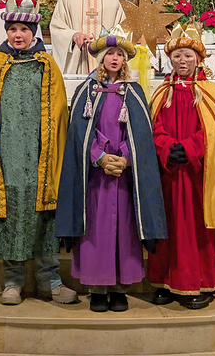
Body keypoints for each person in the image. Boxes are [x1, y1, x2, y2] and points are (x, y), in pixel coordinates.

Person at [0, 0, 77, 305]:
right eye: (12, 30)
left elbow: (59, 113)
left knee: (42, 216)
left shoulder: (47, 65)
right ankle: (13, 281)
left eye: (24, 29)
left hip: (40, 156)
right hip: (4, 157)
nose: (18, 35)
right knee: (9, 215)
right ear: (6, 31)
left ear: (33, 32)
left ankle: (51, 280)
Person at [56, 24, 167, 312]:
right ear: (101, 58)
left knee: (124, 231)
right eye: (109, 54)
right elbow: (79, 132)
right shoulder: (87, 91)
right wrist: (100, 156)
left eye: (119, 54)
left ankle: (120, 289)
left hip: (125, 177)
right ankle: (97, 288)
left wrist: (125, 157)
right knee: (96, 231)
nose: (114, 58)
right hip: (95, 176)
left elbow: (142, 133)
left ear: (125, 60)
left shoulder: (134, 92)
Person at [148, 21, 215, 309]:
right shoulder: (161, 92)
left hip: (198, 174)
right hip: (169, 172)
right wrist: (168, 148)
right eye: (177, 56)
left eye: (188, 56)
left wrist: (191, 148)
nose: (182, 61)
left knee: (195, 229)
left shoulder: (210, 92)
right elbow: (153, 127)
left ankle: (198, 283)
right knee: (168, 226)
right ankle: (165, 281)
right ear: (169, 59)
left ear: (198, 58)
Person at [50, 0, 126, 75]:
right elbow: (57, 27)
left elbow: (126, 28)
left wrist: (107, 43)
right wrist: (73, 35)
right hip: (78, 61)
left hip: (107, 60)